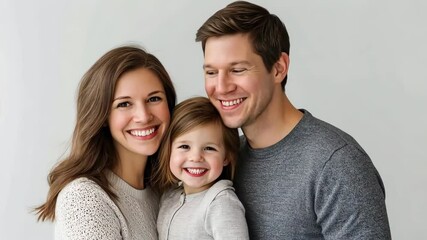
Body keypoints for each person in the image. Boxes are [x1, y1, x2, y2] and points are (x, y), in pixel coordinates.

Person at [196, 1, 391, 239]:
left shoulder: (335, 164)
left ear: (279, 68)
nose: (221, 87)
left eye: (238, 70)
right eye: (211, 72)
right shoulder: (222, 159)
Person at [34, 46, 176, 239]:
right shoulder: (84, 198)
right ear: (102, 116)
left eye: (154, 98)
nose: (143, 116)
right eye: (124, 104)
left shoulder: (165, 192)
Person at [154, 96, 249, 240]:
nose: (196, 157)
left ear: (226, 157)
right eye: (184, 146)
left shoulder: (221, 203)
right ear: (168, 150)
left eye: (209, 148)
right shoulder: (168, 197)